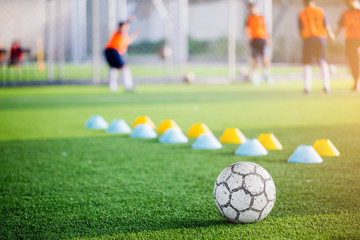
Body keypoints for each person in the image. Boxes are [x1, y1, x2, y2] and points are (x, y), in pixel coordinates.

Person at [298, 0, 335, 94]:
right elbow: (326, 25)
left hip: (308, 39)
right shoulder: (320, 11)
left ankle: (307, 87)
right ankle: (326, 86)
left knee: (307, 63)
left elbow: (300, 30)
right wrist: (330, 35)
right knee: (322, 61)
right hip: (320, 38)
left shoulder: (302, 13)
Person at [104, 16, 139, 92]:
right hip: (112, 50)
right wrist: (129, 21)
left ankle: (112, 87)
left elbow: (129, 41)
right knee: (124, 68)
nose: (127, 27)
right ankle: (128, 86)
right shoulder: (119, 32)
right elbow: (122, 27)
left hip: (110, 51)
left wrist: (135, 34)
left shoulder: (124, 35)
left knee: (114, 68)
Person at [334, 0, 360, 91]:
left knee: (356, 59)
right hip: (350, 40)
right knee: (353, 60)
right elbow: (340, 26)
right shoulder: (345, 13)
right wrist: (334, 36)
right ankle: (356, 81)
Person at [245, 3, 272, 85]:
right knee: (254, 58)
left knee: (264, 57)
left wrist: (269, 39)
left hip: (262, 40)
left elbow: (266, 29)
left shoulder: (262, 17)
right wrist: (248, 38)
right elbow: (247, 29)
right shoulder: (249, 18)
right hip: (254, 40)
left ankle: (267, 74)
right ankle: (256, 76)